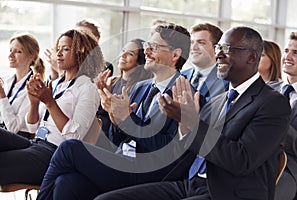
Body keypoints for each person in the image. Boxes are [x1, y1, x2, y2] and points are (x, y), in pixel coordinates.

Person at [94, 26, 291, 200]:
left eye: (226, 49)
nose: (218, 55)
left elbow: (241, 160)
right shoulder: (218, 101)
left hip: (226, 192)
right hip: (189, 183)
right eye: (218, 49)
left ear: (252, 57)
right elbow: (185, 149)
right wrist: (183, 127)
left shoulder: (273, 103)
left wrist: (192, 122)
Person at [36, 23, 192, 200]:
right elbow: (119, 139)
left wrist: (128, 119)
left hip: (150, 172)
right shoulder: (140, 87)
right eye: (147, 46)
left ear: (175, 54)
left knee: (69, 148)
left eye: (154, 47)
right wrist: (116, 121)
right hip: (123, 160)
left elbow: (171, 153)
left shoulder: (186, 94)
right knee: (66, 182)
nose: (147, 51)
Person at [0, 29, 104, 187]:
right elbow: (33, 126)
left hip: (54, 154)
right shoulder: (56, 84)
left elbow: (74, 138)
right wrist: (34, 103)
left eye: (66, 49)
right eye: (58, 49)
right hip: (36, 143)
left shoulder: (87, 88)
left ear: (81, 53)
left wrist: (50, 103)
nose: (59, 53)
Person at [96, 38, 152, 137]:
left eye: (130, 53)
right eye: (123, 51)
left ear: (139, 62)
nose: (123, 55)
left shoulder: (140, 88)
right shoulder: (111, 82)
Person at [269, 32, 297, 200]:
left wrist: (278, 124)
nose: (287, 56)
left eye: (296, 53)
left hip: (291, 170)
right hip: (254, 161)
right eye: (287, 50)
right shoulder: (267, 89)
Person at [0, 32, 45, 138]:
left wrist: (2, 96)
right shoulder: (6, 81)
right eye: (11, 50)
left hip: (17, 138)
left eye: (18, 52)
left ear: (31, 56)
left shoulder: (34, 87)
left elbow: (13, 129)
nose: (10, 55)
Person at [45, 18, 113, 80]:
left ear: (96, 39)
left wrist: (60, 71)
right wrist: (54, 74)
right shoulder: (66, 60)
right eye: (76, 35)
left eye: (84, 36)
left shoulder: (104, 67)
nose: (79, 39)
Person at [181, 23, 228, 103]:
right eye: (192, 42)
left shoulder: (227, 81)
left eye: (201, 43)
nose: (194, 47)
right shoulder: (180, 77)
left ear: (216, 48)